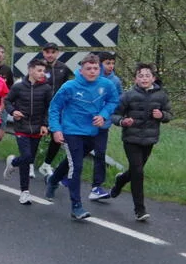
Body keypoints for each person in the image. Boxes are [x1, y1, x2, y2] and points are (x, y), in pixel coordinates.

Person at [43, 53, 119, 221]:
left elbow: (113, 101)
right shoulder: (70, 86)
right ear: (81, 70)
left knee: (71, 162)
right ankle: (76, 206)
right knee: (76, 167)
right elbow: (54, 108)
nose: (92, 71)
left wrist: (103, 115)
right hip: (72, 131)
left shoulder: (106, 84)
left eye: (95, 68)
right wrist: (56, 129)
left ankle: (53, 180)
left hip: (92, 132)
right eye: (88, 68)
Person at [110, 63, 171, 221]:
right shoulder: (128, 96)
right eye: (140, 76)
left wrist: (162, 115)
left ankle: (121, 180)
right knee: (138, 172)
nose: (144, 78)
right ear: (135, 79)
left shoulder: (161, 96)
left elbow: (169, 114)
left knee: (135, 170)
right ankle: (140, 209)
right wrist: (123, 121)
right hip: (131, 139)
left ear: (153, 78)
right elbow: (114, 115)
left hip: (149, 140)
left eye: (147, 76)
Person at [3, 57, 53, 204]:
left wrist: (45, 124)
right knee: (26, 156)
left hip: (37, 128)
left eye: (43, 71)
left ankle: (13, 162)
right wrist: (13, 111)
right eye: (39, 70)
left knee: (29, 159)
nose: (42, 73)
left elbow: (48, 108)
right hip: (21, 127)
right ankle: (25, 192)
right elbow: (7, 101)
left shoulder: (46, 88)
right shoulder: (18, 87)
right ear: (30, 70)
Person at [88, 51, 122, 200]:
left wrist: (109, 115)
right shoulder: (91, 77)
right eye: (108, 63)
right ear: (100, 64)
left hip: (103, 125)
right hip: (86, 124)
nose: (111, 66)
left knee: (100, 154)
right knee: (78, 153)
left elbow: (118, 99)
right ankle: (62, 176)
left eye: (113, 63)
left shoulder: (115, 81)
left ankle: (96, 187)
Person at [38, 43, 75, 176]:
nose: (50, 55)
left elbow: (69, 86)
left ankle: (46, 164)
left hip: (58, 108)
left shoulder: (63, 68)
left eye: (53, 52)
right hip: (40, 106)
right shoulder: (39, 67)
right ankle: (29, 163)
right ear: (43, 53)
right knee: (36, 135)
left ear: (57, 53)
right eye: (47, 52)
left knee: (57, 136)